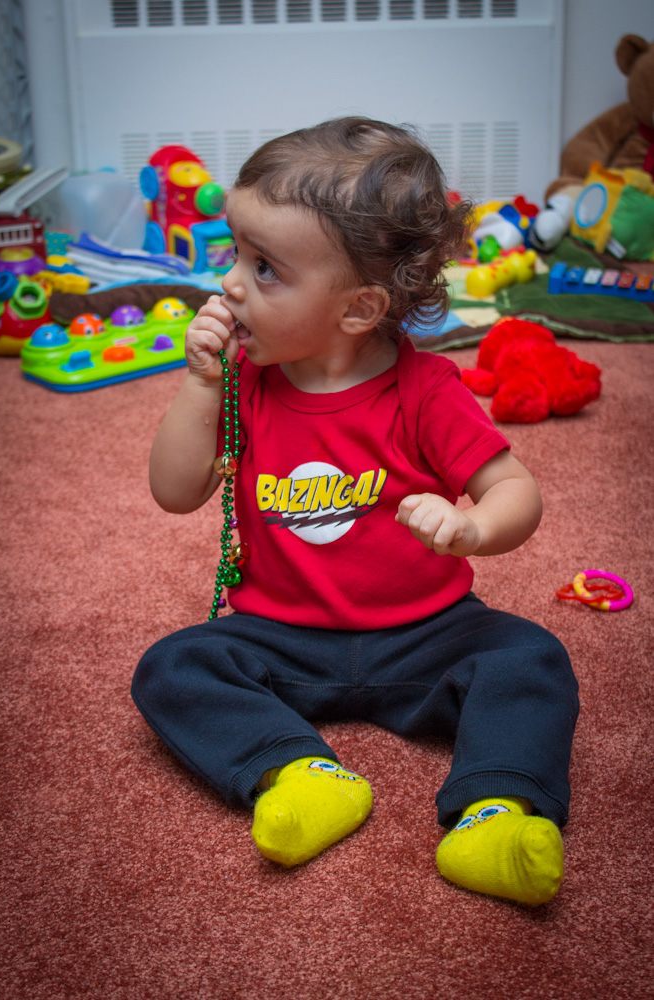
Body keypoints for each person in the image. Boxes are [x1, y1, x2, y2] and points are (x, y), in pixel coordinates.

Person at [132, 117, 579, 906]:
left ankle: (494, 813)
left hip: (426, 632)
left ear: (356, 309)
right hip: (279, 635)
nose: (230, 283)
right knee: (172, 666)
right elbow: (174, 491)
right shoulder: (243, 380)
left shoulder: (425, 391)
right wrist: (200, 384)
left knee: (530, 658)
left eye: (264, 268)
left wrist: (473, 528)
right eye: (234, 252)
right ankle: (300, 772)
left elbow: (515, 490)